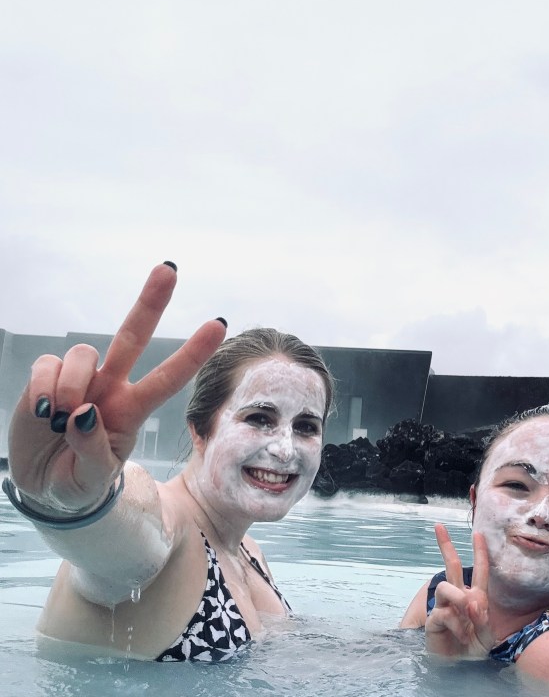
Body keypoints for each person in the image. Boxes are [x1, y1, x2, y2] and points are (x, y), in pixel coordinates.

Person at [2, 262, 333, 662]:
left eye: (306, 427)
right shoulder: (171, 532)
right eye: (259, 418)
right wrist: (68, 503)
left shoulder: (249, 551)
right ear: (199, 430)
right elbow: (129, 536)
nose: (285, 449)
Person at [400, 403, 549, 683]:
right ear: (475, 500)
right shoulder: (444, 594)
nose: (541, 515)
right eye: (516, 485)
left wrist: (461, 673)